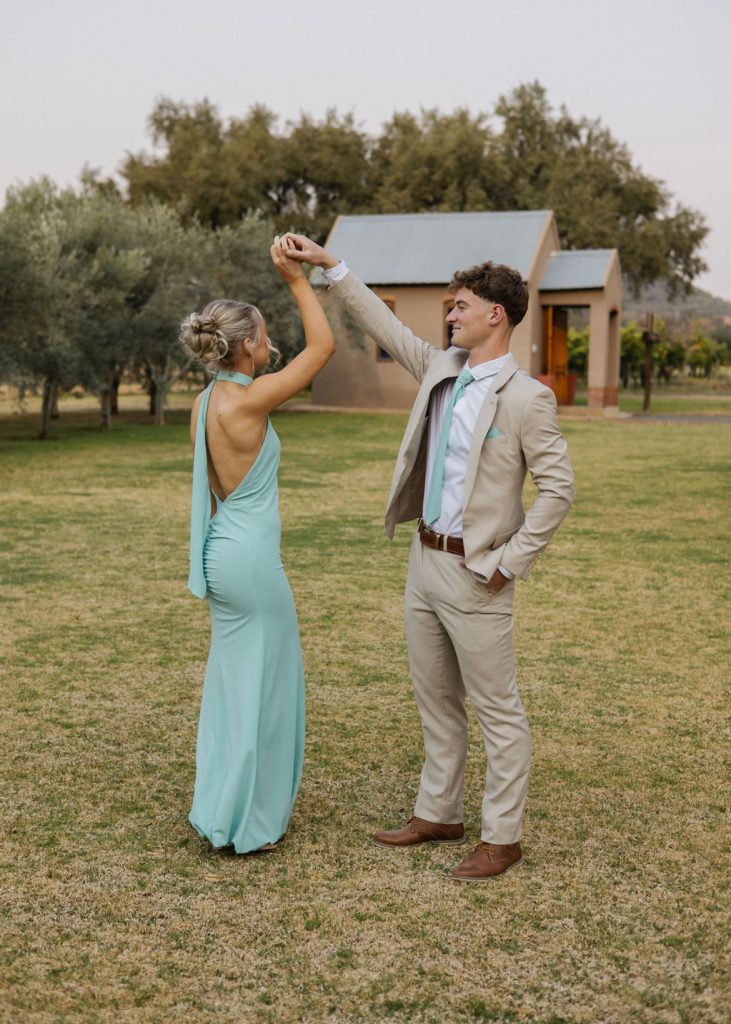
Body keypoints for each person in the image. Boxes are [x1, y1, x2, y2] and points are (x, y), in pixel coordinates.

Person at [277, 232, 575, 880]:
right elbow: (380, 321)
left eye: (460, 306)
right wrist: (329, 266)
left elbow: (559, 490)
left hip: (478, 573)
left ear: (495, 313)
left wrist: (507, 563)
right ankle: (438, 813)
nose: (450, 316)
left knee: (498, 710)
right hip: (423, 562)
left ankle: (502, 837)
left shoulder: (527, 399)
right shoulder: (440, 368)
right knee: (435, 699)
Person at [180, 239, 335, 854]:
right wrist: (297, 280)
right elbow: (322, 349)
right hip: (249, 560)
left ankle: (222, 808)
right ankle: (247, 821)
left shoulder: (204, 402)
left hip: (221, 553)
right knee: (266, 686)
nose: (272, 346)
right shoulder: (249, 399)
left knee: (234, 684)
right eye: (266, 336)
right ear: (247, 345)